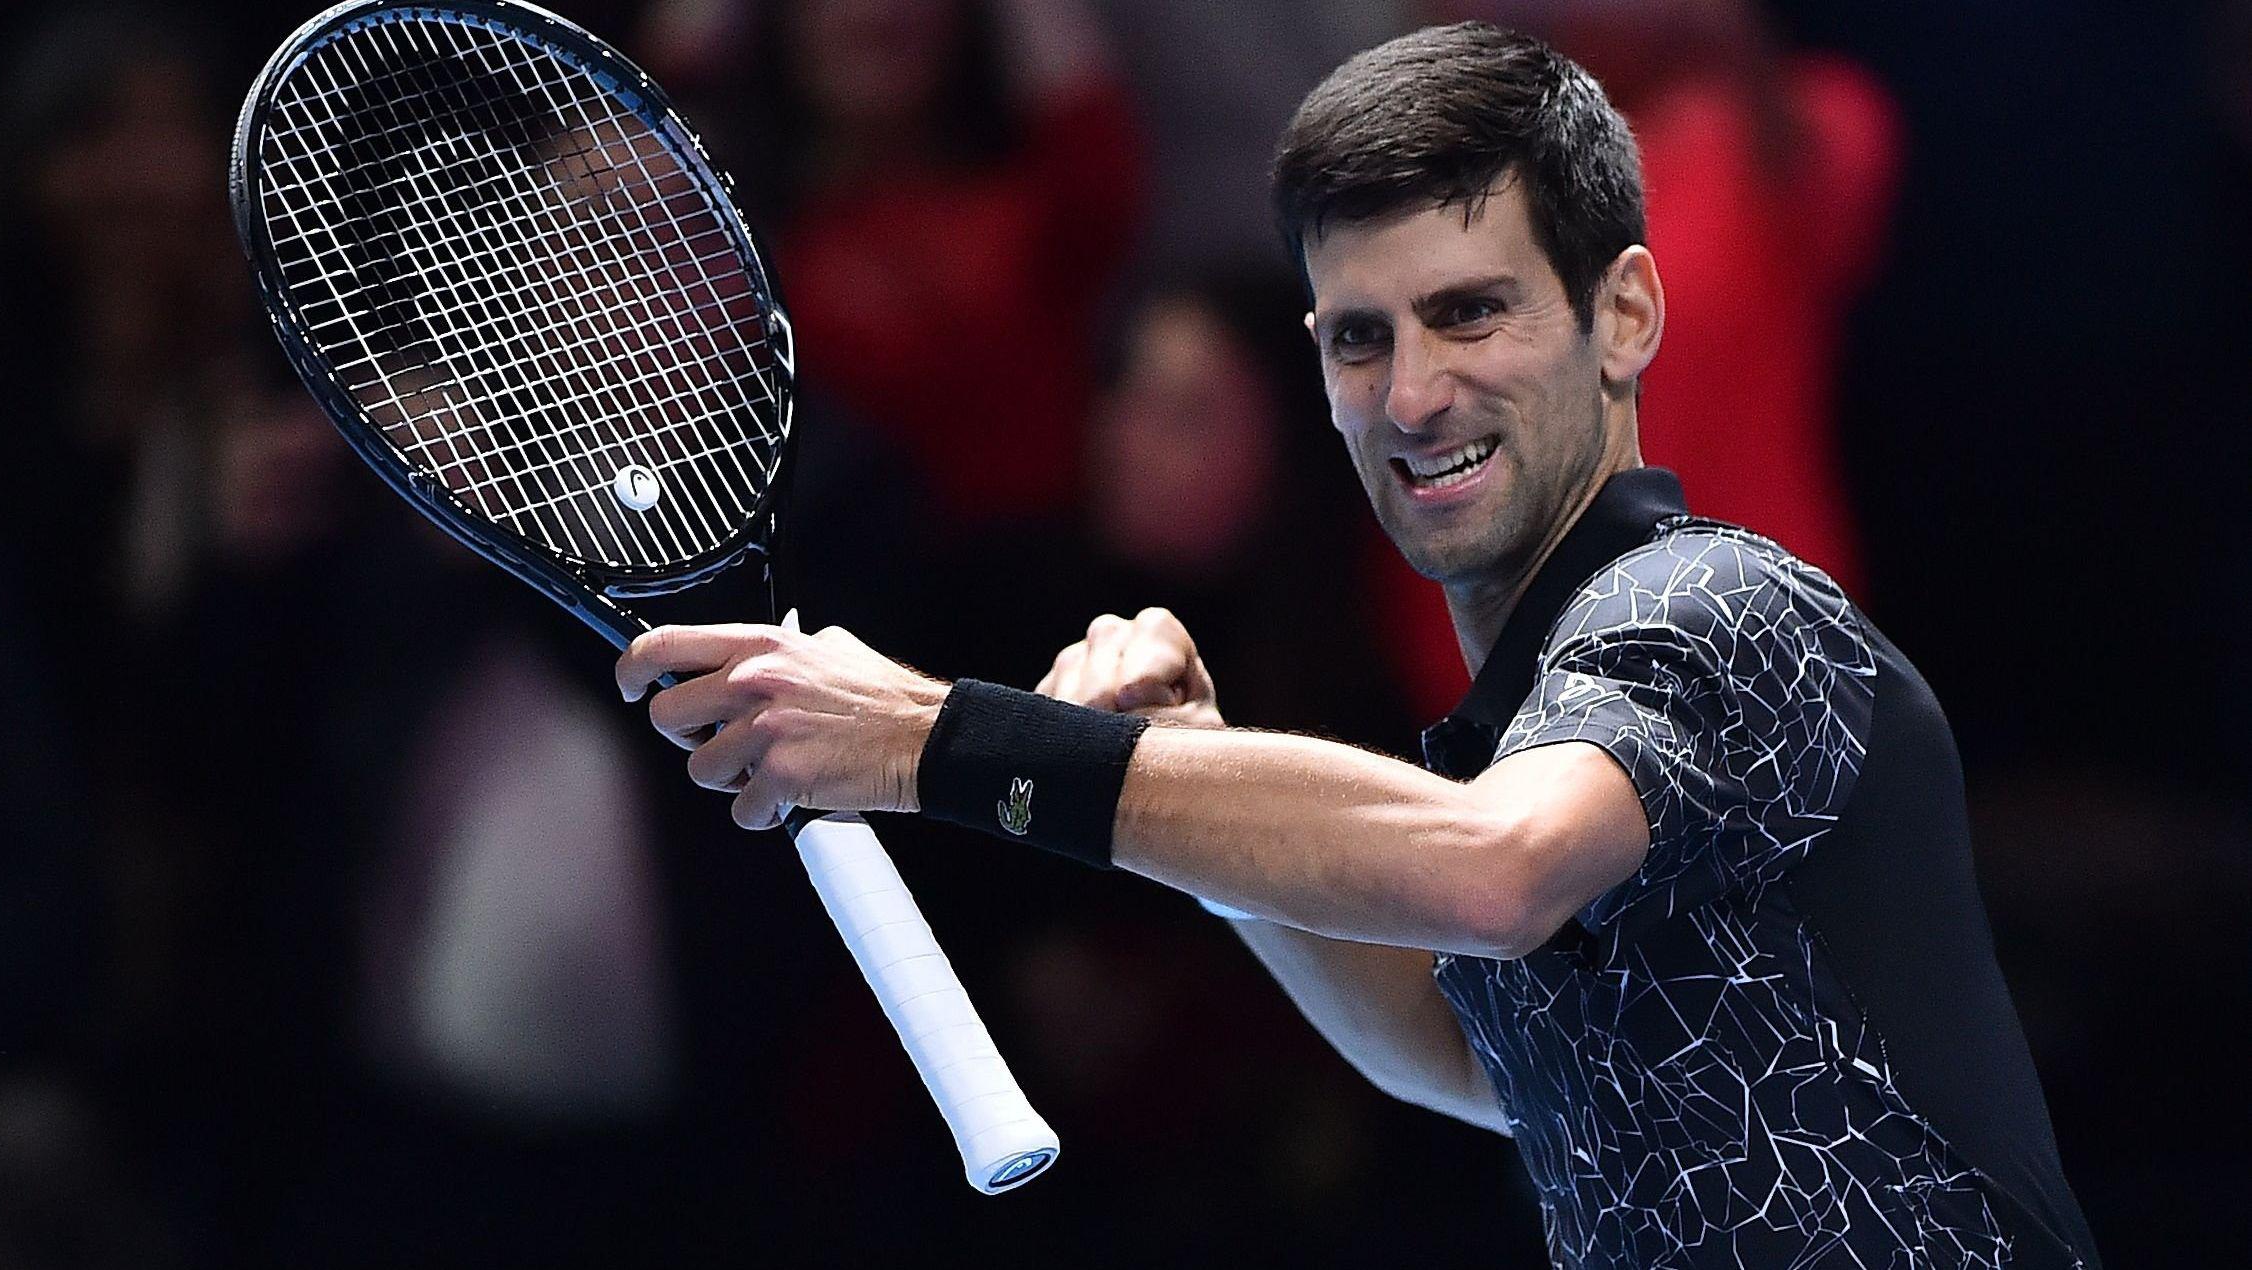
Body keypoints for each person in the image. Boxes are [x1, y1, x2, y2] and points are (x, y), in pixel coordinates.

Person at [612, 24, 2100, 1268]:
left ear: (1625, 314)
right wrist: (1184, 785)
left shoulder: (1718, 605)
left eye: (1472, 314)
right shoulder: (1509, 734)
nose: (1412, 393)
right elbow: (1453, 1054)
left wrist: (940, 736)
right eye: (1359, 337)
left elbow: (1487, 871)